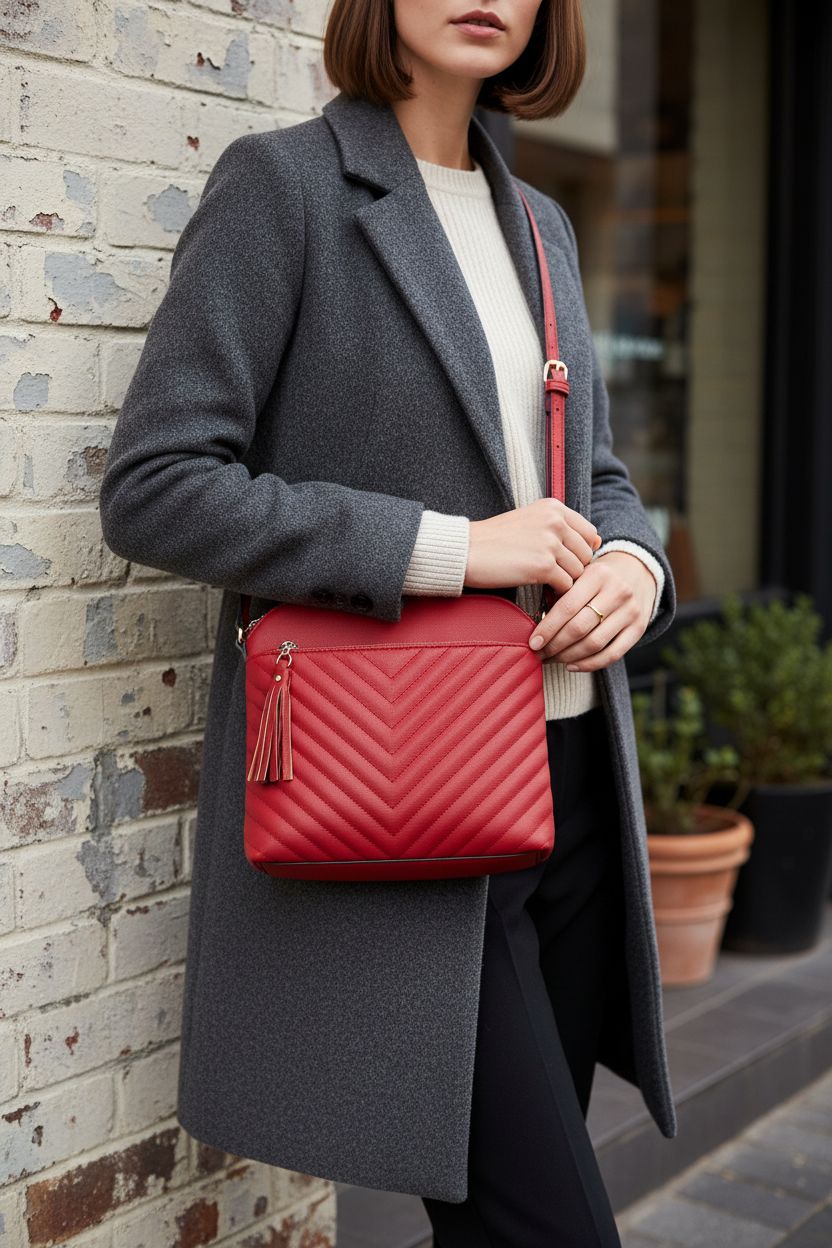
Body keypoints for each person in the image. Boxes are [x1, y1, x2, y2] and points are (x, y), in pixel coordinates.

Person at [99, 1, 679, 1245]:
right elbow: (157, 486)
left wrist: (634, 561)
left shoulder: (541, 225)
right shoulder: (288, 188)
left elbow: (597, 480)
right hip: (413, 800)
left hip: (569, 783)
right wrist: (455, 550)